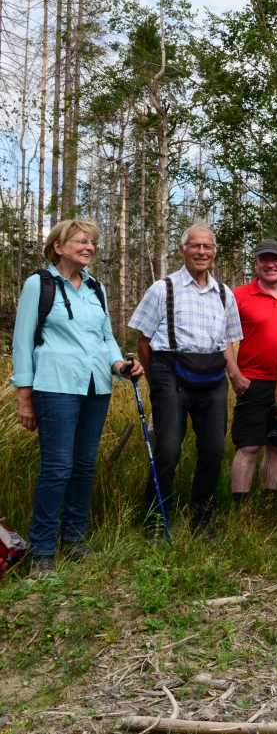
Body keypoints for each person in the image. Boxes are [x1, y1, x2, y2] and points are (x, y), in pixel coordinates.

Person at [11, 220, 142, 577]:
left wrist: (120, 364)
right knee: (57, 468)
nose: (90, 247)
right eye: (81, 241)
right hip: (54, 387)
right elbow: (22, 343)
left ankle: (73, 538)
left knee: (84, 466)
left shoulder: (96, 288)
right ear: (58, 246)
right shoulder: (39, 284)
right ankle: (42, 551)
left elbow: (106, 338)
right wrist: (25, 397)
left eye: (93, 242)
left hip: (96, 387)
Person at [129, 224, 242, 540]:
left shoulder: (224, 293)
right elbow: (143, 342)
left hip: (213, 377)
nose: (202, 252)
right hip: (169, 372)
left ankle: (202, 519)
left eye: (208, 247)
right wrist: (157, 384)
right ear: (182, 250)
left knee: (214, 450)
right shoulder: (162, 289)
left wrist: (232, 374)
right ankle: (155, 519)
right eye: (195, 246)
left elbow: (228, 341)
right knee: (167, 450)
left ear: (214, 252)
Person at [228, 240, 277, 507]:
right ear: (255, 263)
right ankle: (240, 507)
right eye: (264, 259)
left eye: (275, 259)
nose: (270, 264)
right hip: (251, 382)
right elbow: (224, 339)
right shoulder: (238, 295)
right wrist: (234, 374)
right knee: (249, 446)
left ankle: (268, 503)